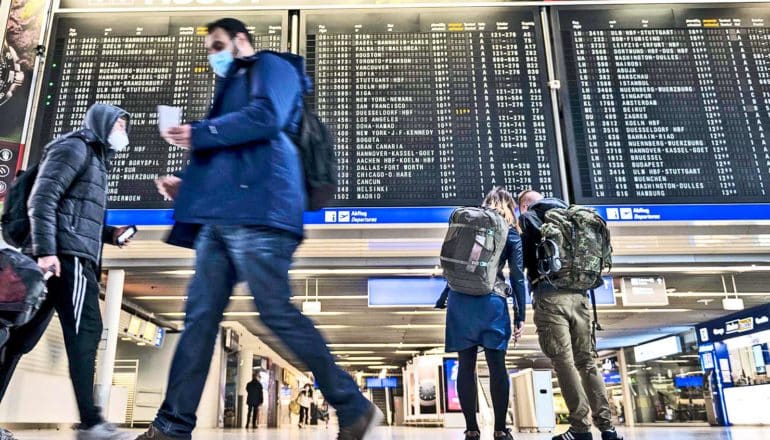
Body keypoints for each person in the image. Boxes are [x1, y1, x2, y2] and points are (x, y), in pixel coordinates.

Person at [138, 17, 380, 440]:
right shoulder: (230, 88)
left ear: (241, 41)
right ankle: (171, 427)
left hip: (263, 212)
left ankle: (353, 404)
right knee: (199, 319)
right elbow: (233, 155)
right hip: (221, 217)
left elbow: (267, 117)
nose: (213, 54)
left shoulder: (273, 67)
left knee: (275, 311)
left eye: (218, 44)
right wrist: (188, 186)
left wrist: (200, 131)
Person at [0, 104, 134, 440]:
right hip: (64, 258)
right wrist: (46, 252)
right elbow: (43, 199)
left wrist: (110, 235)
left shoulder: (97, 159)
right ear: (101, 122)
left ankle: (90, 421)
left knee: (17, 342)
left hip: (63, 254)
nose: (123, 131)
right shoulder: (75, 147)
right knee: (87, 331)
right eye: (119, 123)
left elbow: (73, 213)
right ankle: (91, 422)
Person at [518, 190, 622, 440]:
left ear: (524, 204)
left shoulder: (530, 217)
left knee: (563, 362)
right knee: (587, 362)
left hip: (550, 295)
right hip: (582, 296)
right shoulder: (574, 217)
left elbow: (524, 258)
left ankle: (580, 428)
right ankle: (607, 428)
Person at [437, 187, 527, 440]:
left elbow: (459, 267)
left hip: (460, 301)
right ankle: (500, 428)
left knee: (466, 366)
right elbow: (518, 277)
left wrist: (444, 297)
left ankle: (471, 429)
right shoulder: (510, 232)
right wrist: (521, 313)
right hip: (492, 302)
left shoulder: (469, 226)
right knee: (497, 366)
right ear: (510, 206)